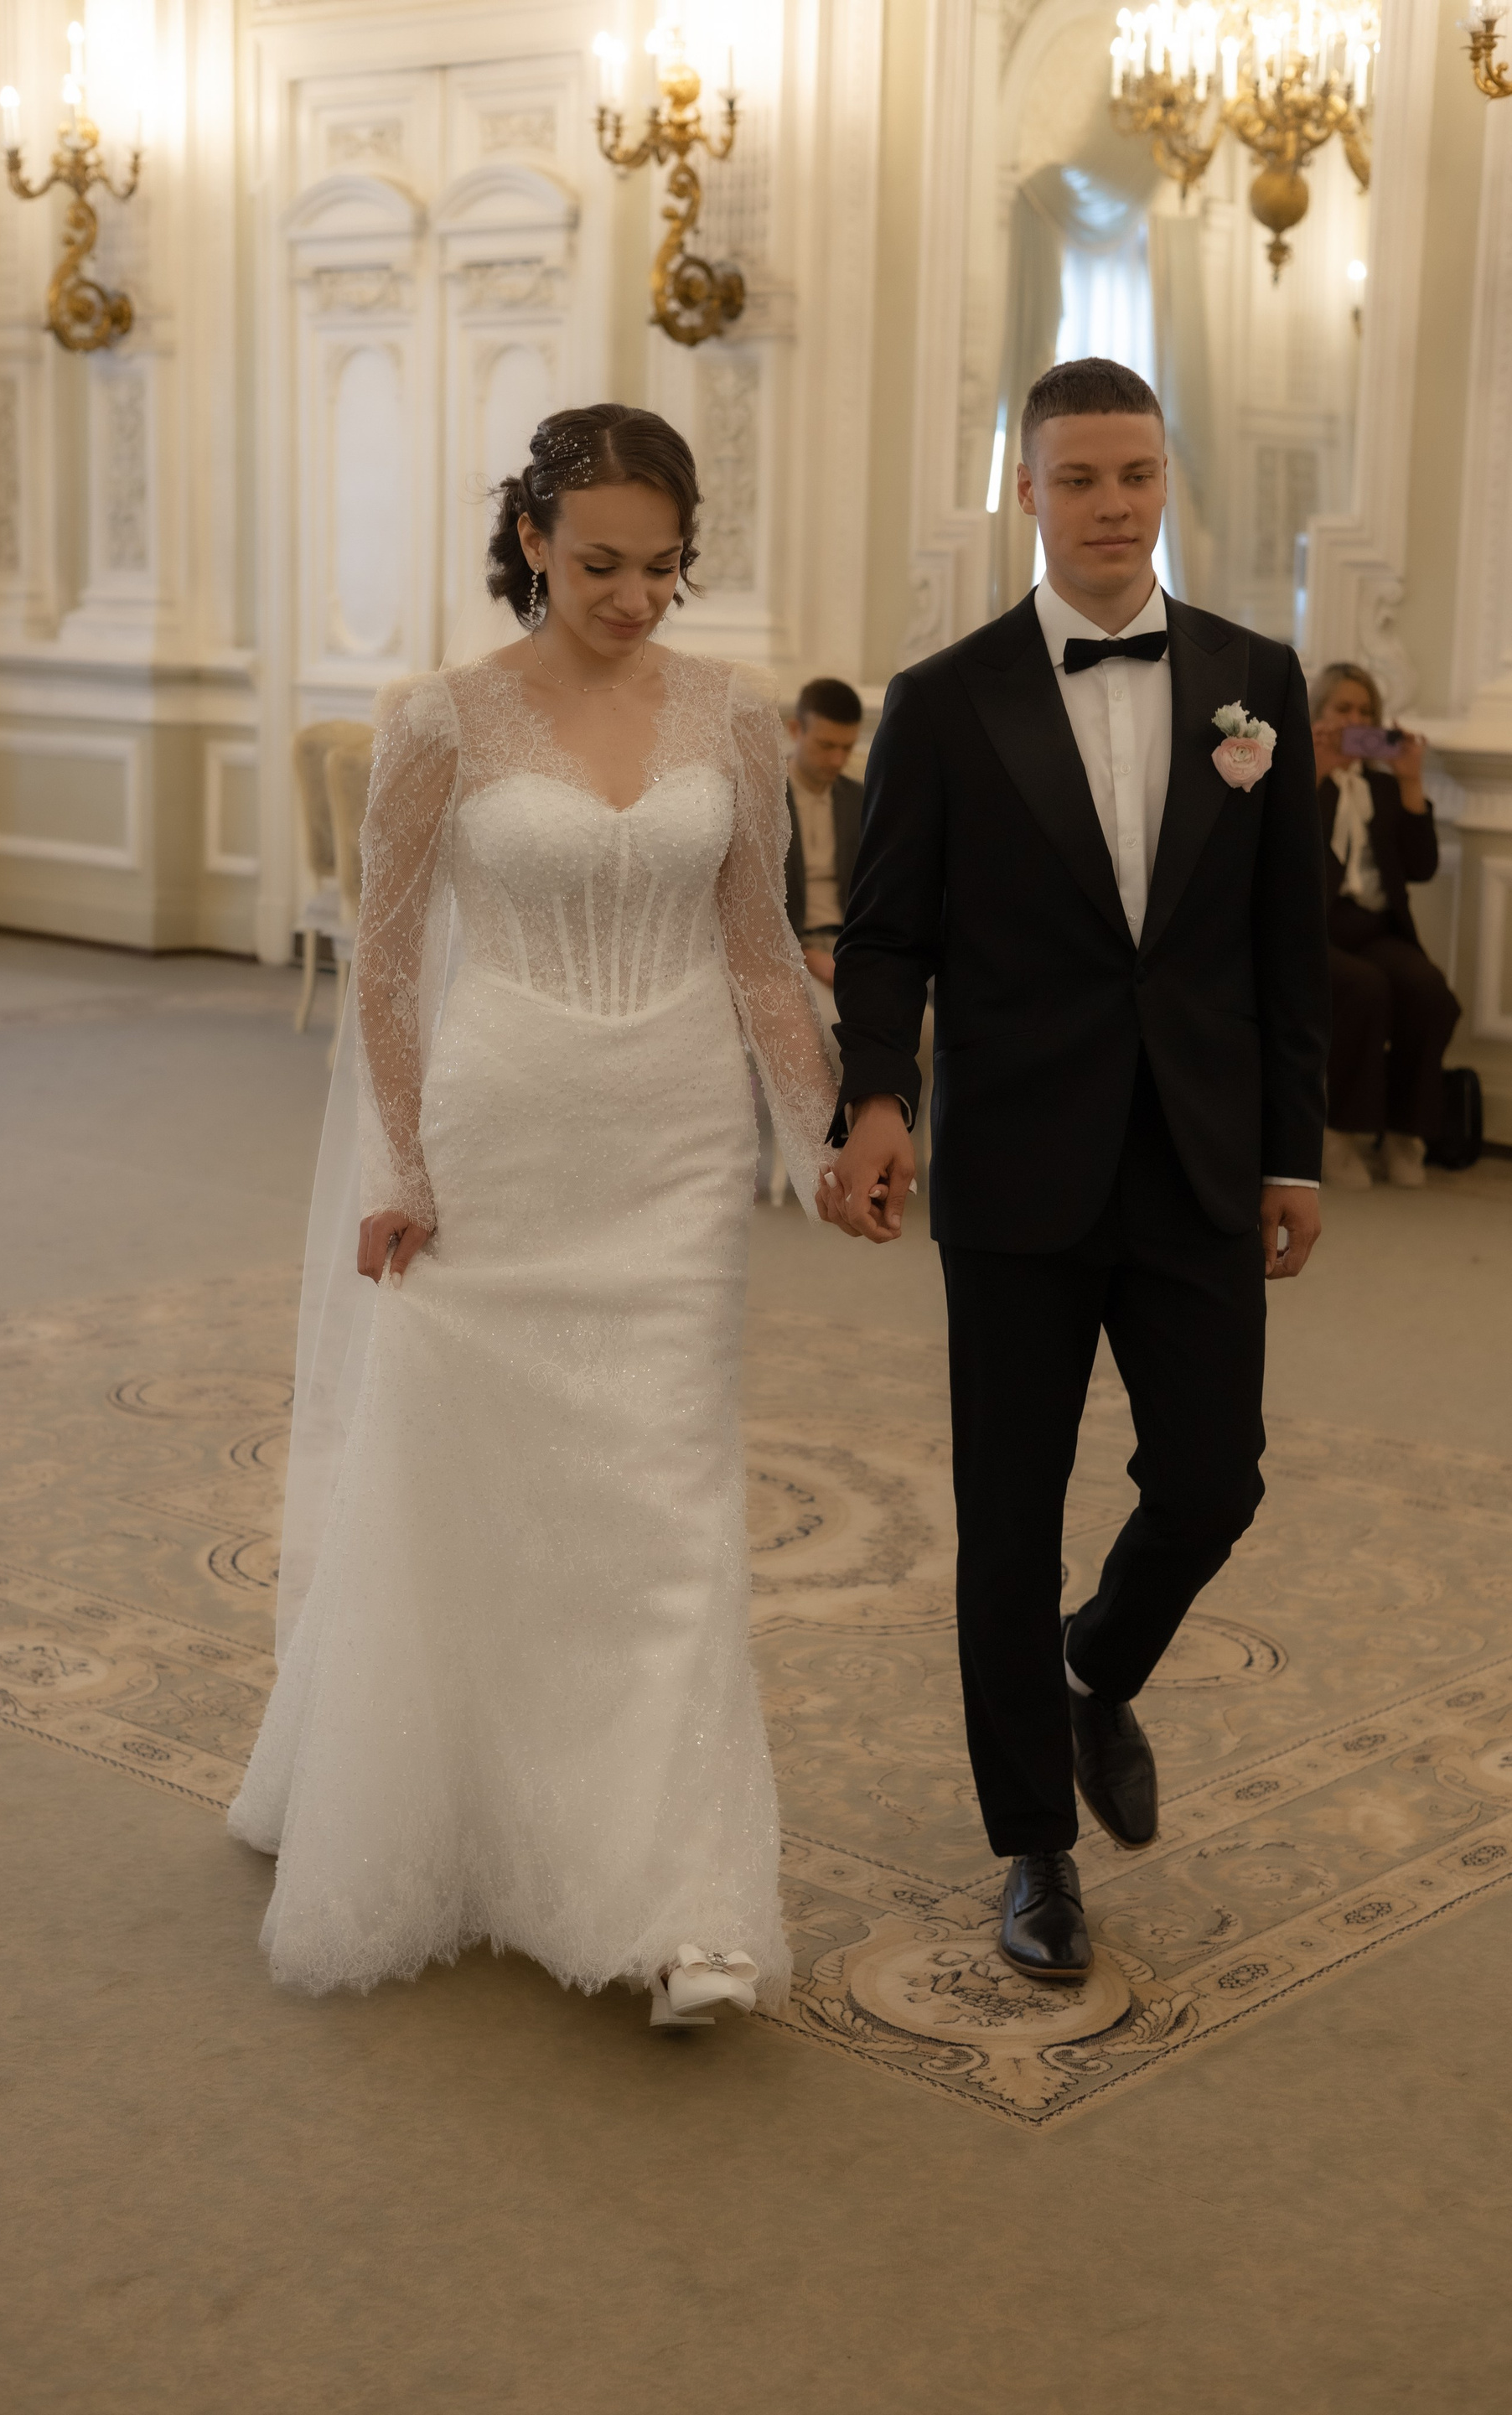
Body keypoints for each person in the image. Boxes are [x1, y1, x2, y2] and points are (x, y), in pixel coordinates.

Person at [228, 404, 837, 2033]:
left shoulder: (734, 716)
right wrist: (401, 1168)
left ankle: (686, 1902)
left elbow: (761, 947)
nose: (634, 597)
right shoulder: (442, 720)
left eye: (663, 567)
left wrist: (825, 1137)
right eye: (600, 565)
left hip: (676, 1146)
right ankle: (469, 1809)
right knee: (483, 1494)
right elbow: (389, 960)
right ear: (532, 544)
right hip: (501, 1137)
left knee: (668, 1509)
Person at [818, 357, 1329, 1983]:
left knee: (1214, 1478)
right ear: (1025, 491)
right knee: (1008, 1512)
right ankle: (1034, 1845)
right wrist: (875, 1097)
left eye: (1137, 473)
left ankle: (1094, 1667)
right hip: (1016, 1168)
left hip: (1196, 1154)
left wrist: (1295, 1153)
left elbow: (1287, 944)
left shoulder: (1255, 680)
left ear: (1167, 480)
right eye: (1081, 478)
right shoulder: (942, 699)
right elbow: (885, 936)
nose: (1114, 505)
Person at [1309, 661, 1460, 1189]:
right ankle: (1340, 1132)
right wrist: (1314, 774)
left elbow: (1421, 866)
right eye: (1343, 709)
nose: (1355, 720)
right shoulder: (1296, 776)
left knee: (1430, 992)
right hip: (1314, 929)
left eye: (1366, 711)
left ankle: (1404, 1130)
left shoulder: (1383, 785)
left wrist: (1411, 781)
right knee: (1363, 990)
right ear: (1318, 714)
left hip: (1375, 927)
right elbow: (1280, 858)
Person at [784, 676, 865, 1032]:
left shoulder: (861, 800)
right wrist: (804, 954)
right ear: (795, 730)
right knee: (835, 1032)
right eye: (826, 745)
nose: (837, 760)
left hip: (852, 949)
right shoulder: (762, 796)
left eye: (847, 748)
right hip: (789, 951)